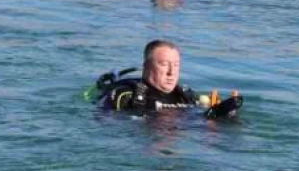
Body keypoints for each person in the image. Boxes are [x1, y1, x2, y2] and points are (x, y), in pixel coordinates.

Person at [95, 39, 241, 117]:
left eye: (176, 65)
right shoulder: (125, 95)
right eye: (164, 64)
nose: (171, 72)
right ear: (146, 67)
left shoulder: (186, 96)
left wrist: (223, 114)